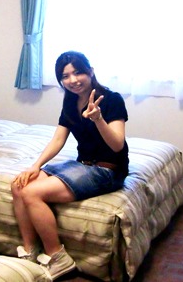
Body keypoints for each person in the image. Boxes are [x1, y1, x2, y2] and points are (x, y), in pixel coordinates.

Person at [11, 51, 128, 279]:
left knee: (31, 193)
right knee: (19, 185)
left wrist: (98, 119)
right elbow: (58, 139)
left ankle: (58, 256)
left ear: (90, 72)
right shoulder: (70, 100)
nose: (73, 80)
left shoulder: (111, 99)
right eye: (65, 76)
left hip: (107, 169)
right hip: (82, 164)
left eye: (78, 73)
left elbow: (117, 145)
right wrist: (36, 165)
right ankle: (29, 250)